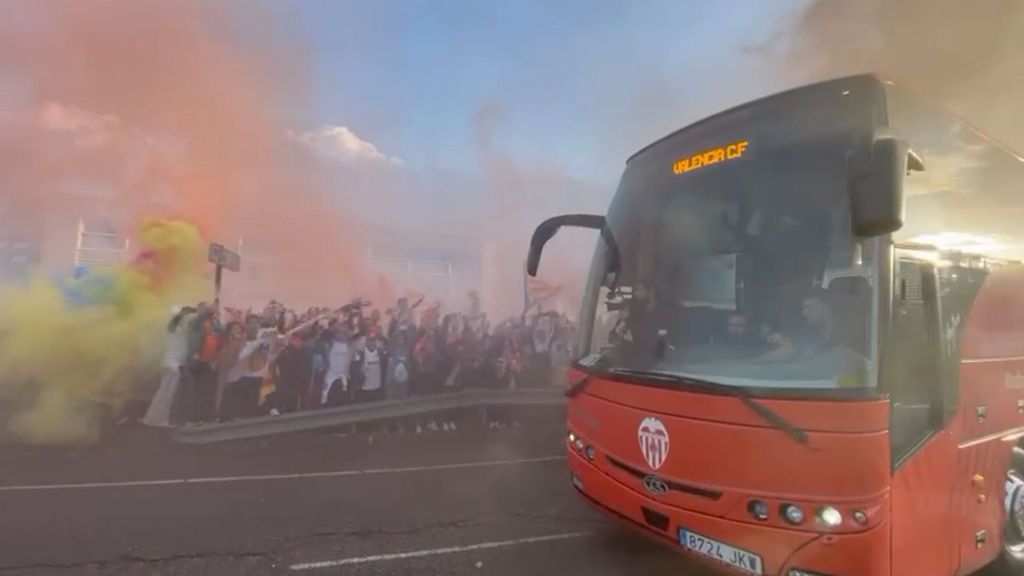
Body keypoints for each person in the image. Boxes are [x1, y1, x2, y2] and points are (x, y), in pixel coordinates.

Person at [142, 306, 196, 427]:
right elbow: (172, 324)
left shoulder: (184, 331)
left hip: (176, 363)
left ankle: (156, 418)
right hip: (170, 363)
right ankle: (156, 419)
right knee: (166, 392)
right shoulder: (172, 329)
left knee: (168, 393)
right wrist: (182, 313)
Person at [184, 301, 222, 423]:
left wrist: (216, 318)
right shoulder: (194, 321)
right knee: (195, 390)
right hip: (197, 360)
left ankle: (206, 416)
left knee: (207, 390)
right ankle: (192, 417)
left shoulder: (212, 323)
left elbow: (219, 333)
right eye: (203, 308)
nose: (206, 311)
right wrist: (206, 311)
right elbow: (196, 320)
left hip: (209, 361)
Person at [272, 333, 314, 414]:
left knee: (294, 405)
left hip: (298, 384)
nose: (294, 341)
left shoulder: (305, 352)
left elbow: (306, 368)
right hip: (285, 382)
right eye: (293, 339)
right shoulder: (286, 351)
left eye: (297, 339)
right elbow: (280, 363)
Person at [323, 325, 353, 406]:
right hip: (332, 378)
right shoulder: (330, 343)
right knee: (331, 403)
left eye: (344, 332)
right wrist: (334, 328)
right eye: (340, 332)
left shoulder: (349, 344)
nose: (342, 334)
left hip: (346, 378)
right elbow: (325, 333)